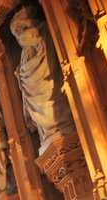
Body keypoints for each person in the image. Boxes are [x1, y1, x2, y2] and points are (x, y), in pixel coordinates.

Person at [11, 7, 74, 153]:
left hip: (49, 82)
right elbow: (26, 83)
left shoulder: (43, 30)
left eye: (23, 26)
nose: (21, 33)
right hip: (35, 89)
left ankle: (62, 124)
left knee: (54, 99)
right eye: (18, 31)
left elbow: (50, 53)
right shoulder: (24, 52)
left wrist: (35, 37)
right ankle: (47, 132)